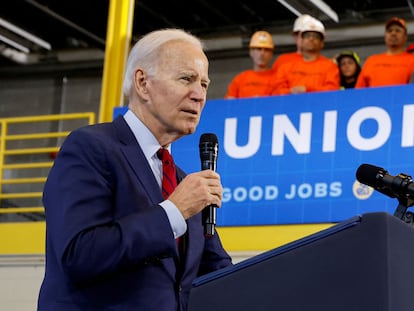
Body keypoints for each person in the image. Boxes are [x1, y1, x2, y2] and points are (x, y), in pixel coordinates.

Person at [37, 28, 232, 311]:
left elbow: (217, 275)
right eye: (186, 79)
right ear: (142, 83)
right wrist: (174, 212)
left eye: (204, 84)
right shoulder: (90, 147)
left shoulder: (182, 182)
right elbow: (79, 254)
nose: (198, 95)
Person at [271, 17, 340, 95]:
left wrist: (307, 90)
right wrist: (291, 91)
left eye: (316, 36)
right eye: (307, 36)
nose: (311, 39)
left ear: (322, 43)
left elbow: (333, 90)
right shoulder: (286, 67)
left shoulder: (330, 67)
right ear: (301, 40)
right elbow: (275, 93)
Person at [356, 17, 414, 88]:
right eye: (389, 31)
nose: (393, 33)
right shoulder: (371, 60)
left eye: (398, 31)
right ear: (385, 36)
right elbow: (359, 90)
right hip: (374, 99)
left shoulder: (412, 60)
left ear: (405, 37)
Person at [224, 30, 275, 98]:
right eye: (259, 49)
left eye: (266, 49)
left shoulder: (278, 77)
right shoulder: (240, 79)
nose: (262, 53)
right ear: (251, 52)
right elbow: (229, 104)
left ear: (271, 54)